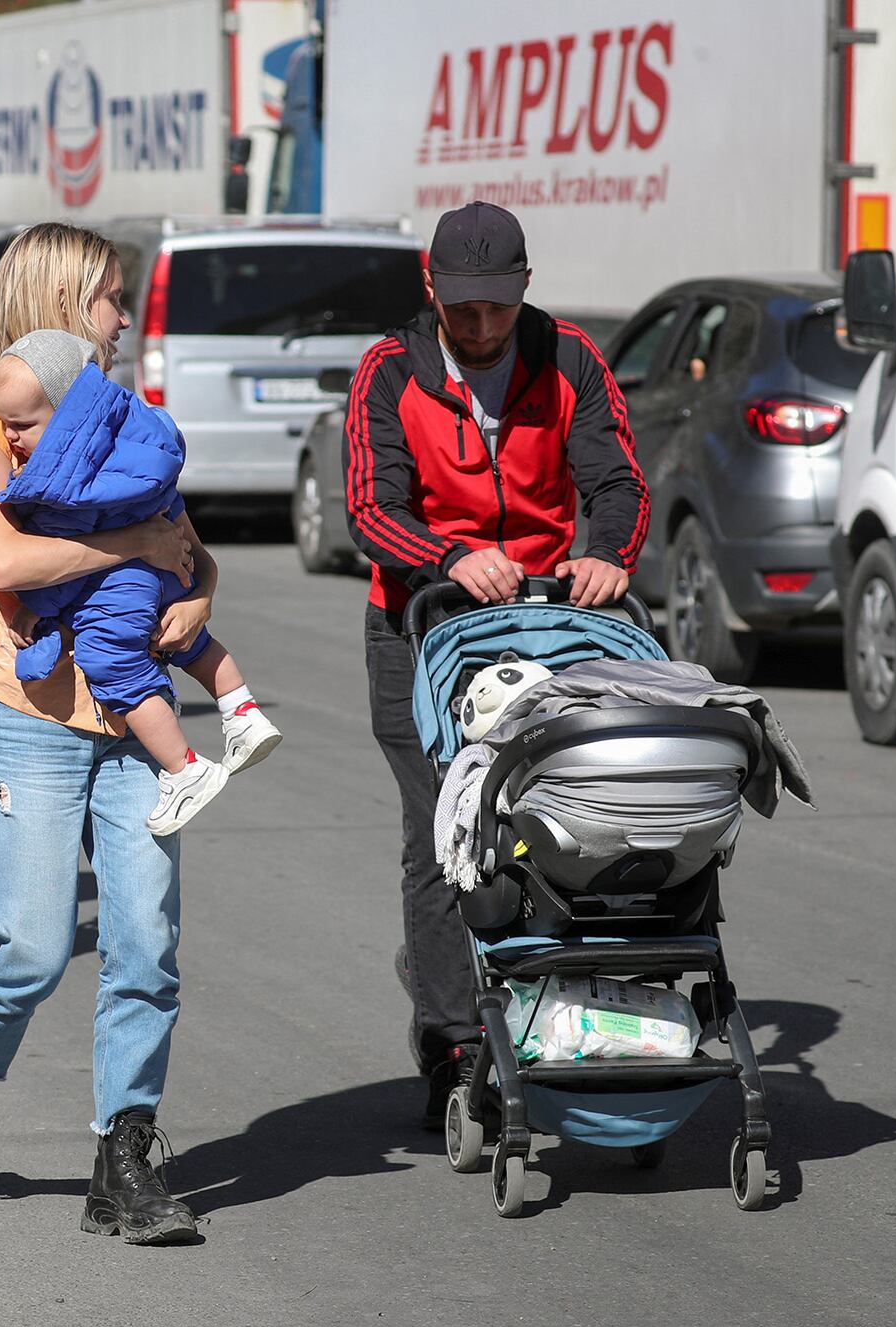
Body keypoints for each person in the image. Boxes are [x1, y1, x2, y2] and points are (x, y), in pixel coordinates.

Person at [0, 222, 210, 1246]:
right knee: (29, 947)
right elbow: (7, 560)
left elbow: (185, 546)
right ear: (66, 301)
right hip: (26, 715)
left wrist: (198, 592)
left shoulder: (115, 410)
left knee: (145, 942)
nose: (124, 316)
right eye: (112, 296)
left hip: (131, 714)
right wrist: (134, 545)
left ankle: (125, 1159)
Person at [345, 201, 650, 1128]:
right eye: (462, 309)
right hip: (422, 626)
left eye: (497, 308)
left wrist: (609, 554)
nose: (480, 327)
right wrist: (447, 556)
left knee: (566, 816)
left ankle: (568, 1002)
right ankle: (452, 1038)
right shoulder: (389, 371)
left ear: (525, 288)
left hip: (548, 623)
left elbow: (618, 480)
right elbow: (370, 504)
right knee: (444, 830)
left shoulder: (571, 360)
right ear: (430, 289)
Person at [0, 330, 282, 834]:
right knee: (188, 640)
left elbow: (68, 562)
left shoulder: (65, 482)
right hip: (170, 568)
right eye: (5, 425)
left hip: (118, 587)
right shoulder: (134, 442)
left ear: (68, 418)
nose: (10, 438)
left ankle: (184, 769)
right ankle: (243, 711)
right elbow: (172, 505)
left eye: (22, 425)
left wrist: (37, 606)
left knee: (111, 660)